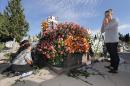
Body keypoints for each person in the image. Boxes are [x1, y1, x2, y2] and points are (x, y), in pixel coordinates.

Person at [101, 9, 120, 73]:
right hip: (108, 41)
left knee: (114, 54)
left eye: (108, 15)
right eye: (105, 16)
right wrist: (103, 23)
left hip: (113, 41)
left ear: (111, 14)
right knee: (111, 54)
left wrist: (105, 22)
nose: (106, 17)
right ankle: (112, 65)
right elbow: (102, 30)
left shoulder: (115, 20)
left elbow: (107, 27)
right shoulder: (106, 22)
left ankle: (115, 68)